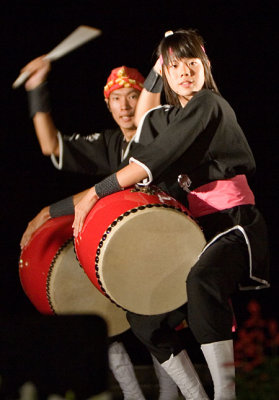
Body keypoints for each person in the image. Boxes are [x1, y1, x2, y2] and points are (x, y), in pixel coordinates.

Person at [71, 29, 270, 400]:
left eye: (191, 63)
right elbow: (146, 130)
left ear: (204, 66)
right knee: (144, 318)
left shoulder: (208, 104)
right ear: (164, 72)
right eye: (174, 66)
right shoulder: (170, 118)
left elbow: (152, 158)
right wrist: (65, 208)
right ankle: (195, 396)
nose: (184, 72)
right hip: (197, 232)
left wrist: (94, 194)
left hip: (235, 224)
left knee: (201, 281)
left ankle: (226, 393)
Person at [19, 59, 179, 400]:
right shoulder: (111, 143)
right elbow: (52, 147)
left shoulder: (157, 135)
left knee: (154, 321)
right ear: (107, 105)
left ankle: (170, 394)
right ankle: (132, 393)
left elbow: (118, 188)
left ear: (147, 98)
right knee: (96, 311)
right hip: (131, 249)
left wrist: (49, 210)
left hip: (165, 245)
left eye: (132, 96)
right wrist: (36, 90)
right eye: (115, 98)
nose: (124, 106)